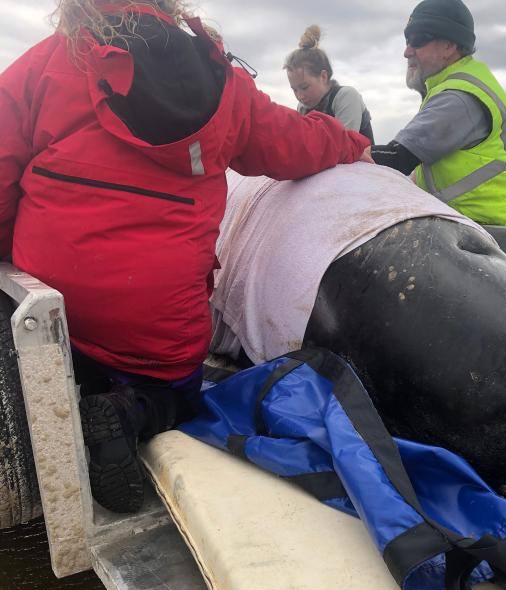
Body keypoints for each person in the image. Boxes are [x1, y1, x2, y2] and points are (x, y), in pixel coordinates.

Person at [0, 0, 372, 514]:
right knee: (181, 390)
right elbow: (291, 144)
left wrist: (10, 258)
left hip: (50, 299)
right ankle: (130, 411)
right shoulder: (222, 81)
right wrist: (351, 144)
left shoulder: (46, 63)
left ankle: (79, 387)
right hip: (154, 320)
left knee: (66, 346)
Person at [371, 0, 506, 229]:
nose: (407, 51)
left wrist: (334, 150)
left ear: (449, 45)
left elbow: (396, 159)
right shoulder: (450, 87)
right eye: (407, 40)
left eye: (418, 40)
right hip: (497, 225)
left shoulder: (458, 97)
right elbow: (418, 170)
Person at [285, 25, 374, 144]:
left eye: (304, 87)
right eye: (294, 90)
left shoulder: (346, 97)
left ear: (323, 76)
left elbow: (345, 147)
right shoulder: (302, 107)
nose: (300, 96)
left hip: (360, 161)